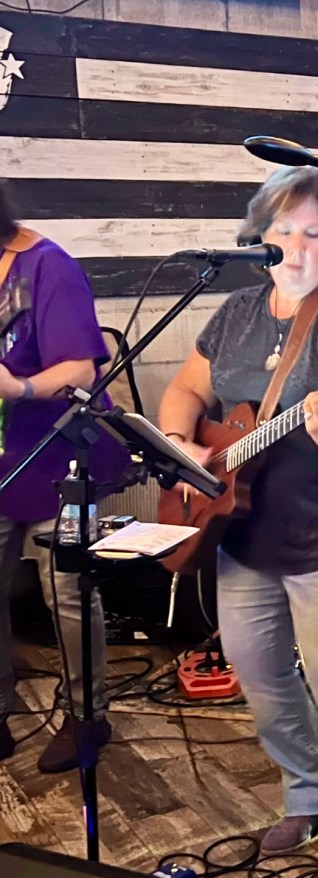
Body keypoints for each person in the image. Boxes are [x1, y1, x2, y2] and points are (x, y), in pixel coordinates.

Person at [158, 167, 318, 878]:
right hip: (242, 532)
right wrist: (181, 444)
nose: (296, 248)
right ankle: (307, 789)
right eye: (283, 231)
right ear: (258, 238)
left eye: (314, 234)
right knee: (258, 671)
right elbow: (185, 390)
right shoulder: (235, 312)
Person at [0, 183, 124, 774]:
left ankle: (86, 715)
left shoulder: (48, 266)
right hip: (2, 461)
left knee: (67, 590)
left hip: (61, 456)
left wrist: (19, 386)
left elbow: (82, 367)